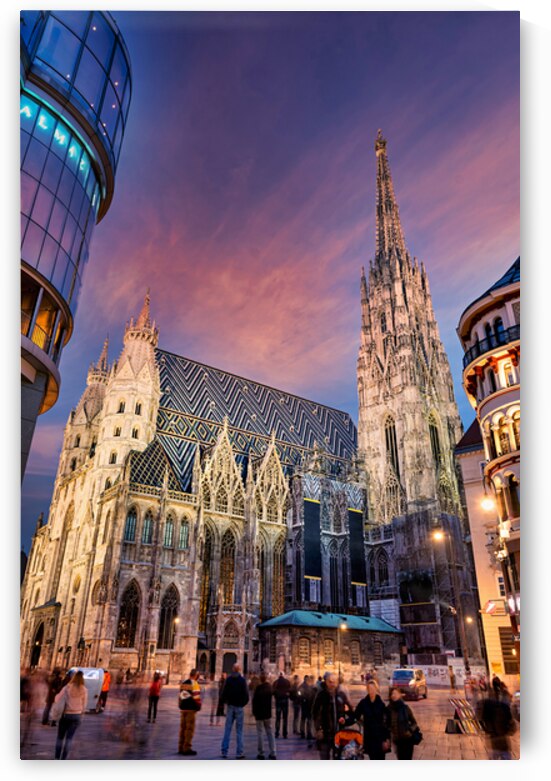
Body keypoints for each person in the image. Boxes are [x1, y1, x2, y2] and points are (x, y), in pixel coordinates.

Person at [312, 671, 349, 760]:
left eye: (334, 682)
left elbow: (349, 711)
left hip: (338, 733)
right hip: (325, 733)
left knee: (338, 758)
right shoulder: (321, 695)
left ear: (337, 683)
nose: (332, 684)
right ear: (326, 682)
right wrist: (318, 729)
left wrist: (347, 717)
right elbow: (315, 713)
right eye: (330, 682)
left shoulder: (341, 695)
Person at [53, 669, 88, 759]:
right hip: (77, 716)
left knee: (60, 738)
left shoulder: (67, 687)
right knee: (69, 739)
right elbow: (84, 705)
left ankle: (57, 758)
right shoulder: (84, 690)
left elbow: (57, 699)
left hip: (65, 715)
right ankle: (64, 758)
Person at [354, 679, 390, 760]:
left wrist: (386, 738)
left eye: (373, 688)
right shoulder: (363, 703)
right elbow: (355, 715)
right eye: (369, 689)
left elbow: (386, 722)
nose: (371, 691)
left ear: (376, 689)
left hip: (380, 737)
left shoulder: (381, 704)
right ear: (367, 689)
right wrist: (346, 718)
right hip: (369, 737)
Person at [220, 663, 249, 759]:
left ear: (233, 669)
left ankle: (224, 751)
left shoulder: (228, 680)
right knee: (239, 731)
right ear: (239, 669)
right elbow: (246, 695)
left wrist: (227, 702)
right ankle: (239, 753)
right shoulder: (242, 680)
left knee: (227, 729)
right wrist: (242, 704)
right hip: (239, 707)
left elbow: (224, 693)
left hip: (230, 706)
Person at [481, 689, 516, 759]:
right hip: (503, 739)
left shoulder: (487, 706)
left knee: (494, 755)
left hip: (493, 738)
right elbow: (511, 723)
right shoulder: (504, 707)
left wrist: (487, 730)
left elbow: (483, 720)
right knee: (505, 756)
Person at [386, 687, 419, 760]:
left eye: (395, 693)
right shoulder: (389, 709)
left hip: (408, 739)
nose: (393, 695)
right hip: (397, 740)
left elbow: (414, 723)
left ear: (400, 695)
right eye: (392, 694)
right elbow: (386, 724)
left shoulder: (405, 708)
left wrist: (410, 731)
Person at [252, 672, 277, 759]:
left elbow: (254, 701)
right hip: (267, 714)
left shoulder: (258, 688)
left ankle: (261, 753)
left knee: (260, 733)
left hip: (259, 714)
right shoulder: (270, 687)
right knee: (270, 733)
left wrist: (254, 712)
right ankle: (273, 752)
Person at [178, 669, 201, 756]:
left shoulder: (184, 683)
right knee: (189, 729)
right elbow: (196, 697)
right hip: (191, 709)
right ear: (195, 675)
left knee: (182, 729)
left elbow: (180, 696)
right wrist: (198, 706)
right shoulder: (194, 684)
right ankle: (187, 748)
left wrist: (180, 705)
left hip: (183, 708)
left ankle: (180, 747)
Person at [273, 671, 291, 739]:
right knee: (285, 718)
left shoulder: (276, 682)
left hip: (278, 701)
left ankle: (277, 732)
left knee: (278, 718)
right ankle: (285, 733)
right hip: (285, 701)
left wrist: (276, 696)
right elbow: (290, 691)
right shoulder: (287, 682)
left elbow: (273, 691)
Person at [299, 675, 315, 740]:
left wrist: (302, 700)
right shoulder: (309, 687)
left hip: (305, 704)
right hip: (308, 704)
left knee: (304, 719)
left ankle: (303, 732)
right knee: (308, 720)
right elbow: (299, 694)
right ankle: (308, 733)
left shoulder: (302, 686)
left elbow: (299, 694)